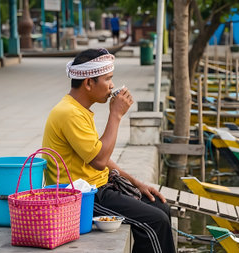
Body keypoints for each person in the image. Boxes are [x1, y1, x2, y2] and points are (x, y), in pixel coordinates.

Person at [42, 48, 176, 253]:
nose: (112, 85)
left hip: (98, 187)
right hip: (82, 197)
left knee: (160, 207)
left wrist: (136, 182)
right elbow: (99, 159)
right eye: (108, 79)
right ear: (88, 83)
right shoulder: (69, 113)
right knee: (155, 221)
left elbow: (97, 156)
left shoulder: (77, 109)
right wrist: (116, 115)